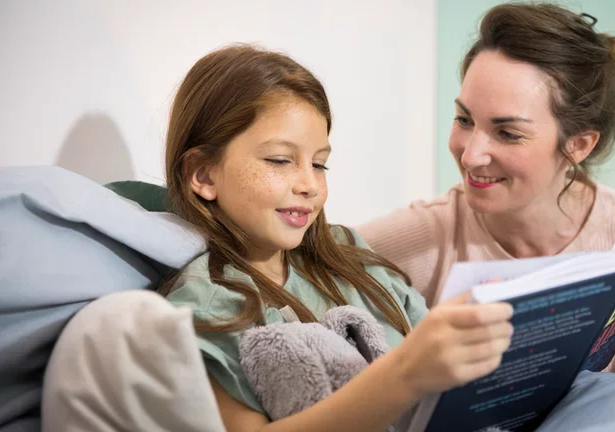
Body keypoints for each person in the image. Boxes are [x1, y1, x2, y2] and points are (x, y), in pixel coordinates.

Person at [160, 44, 513, 431]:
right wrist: (406, 375)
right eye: (280, 160)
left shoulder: (350, 255)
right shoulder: (209, 307)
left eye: (319, 163)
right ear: (204, 175)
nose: (310, 184)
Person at [357, 3, 615, 373]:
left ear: (578, 145)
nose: (470, 156)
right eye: (464, 119)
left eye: (508, 133)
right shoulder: (420, 237)